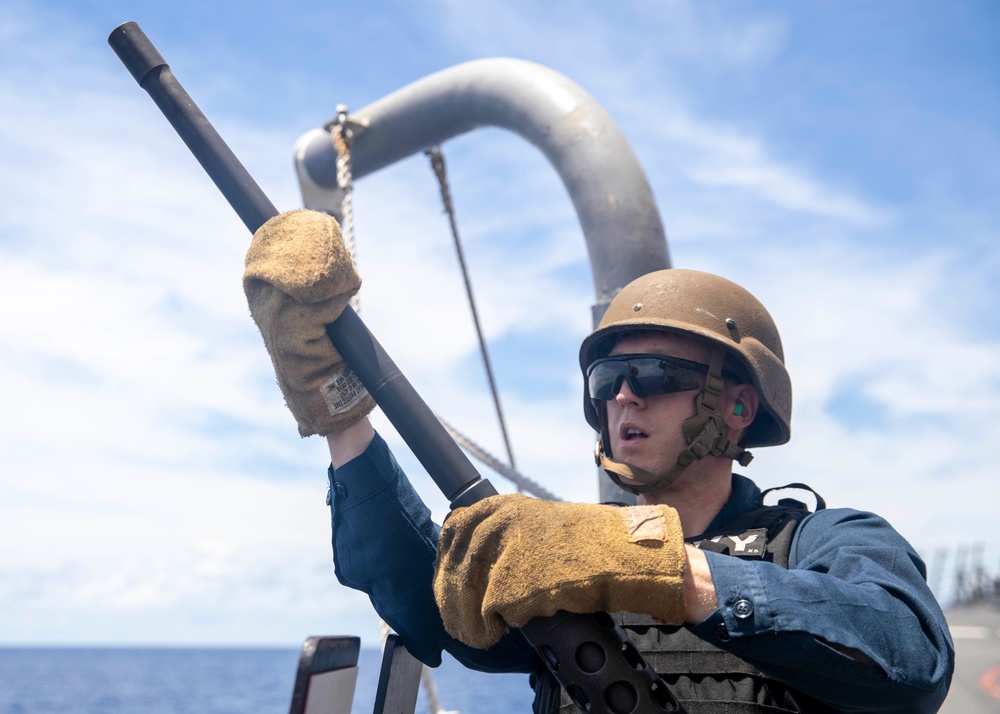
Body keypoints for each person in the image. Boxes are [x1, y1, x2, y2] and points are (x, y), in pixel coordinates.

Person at [244, 210, 954, 713]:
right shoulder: (565, 558)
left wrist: (657, 565)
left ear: (737, 408)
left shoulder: (823, 542)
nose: (622, 399)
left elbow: (911, 659)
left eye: (649, 375)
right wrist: (339, 412)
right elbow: (429, 601)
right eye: (605, 382)